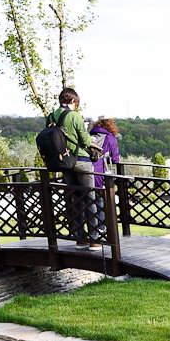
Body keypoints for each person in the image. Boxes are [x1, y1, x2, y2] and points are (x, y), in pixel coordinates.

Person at [48, 88, 99, 250]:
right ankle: (94, 238)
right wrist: (94, 144)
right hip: (81, 160)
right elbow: (84, 139)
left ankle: (80, 238)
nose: (77, 106)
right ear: (72, 101)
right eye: (76, 103)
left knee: (75, 199)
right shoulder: (74, 116)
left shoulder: (51, 116)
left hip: (63, 162)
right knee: (89, 197)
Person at [89, 118, 122, 247]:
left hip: (86, 170)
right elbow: (115, 158)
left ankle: (88, 235)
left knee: (88, 201)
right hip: (99, 172)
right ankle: (101, 230)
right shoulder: (109, 137)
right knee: (100, 201)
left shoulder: (91, 135)